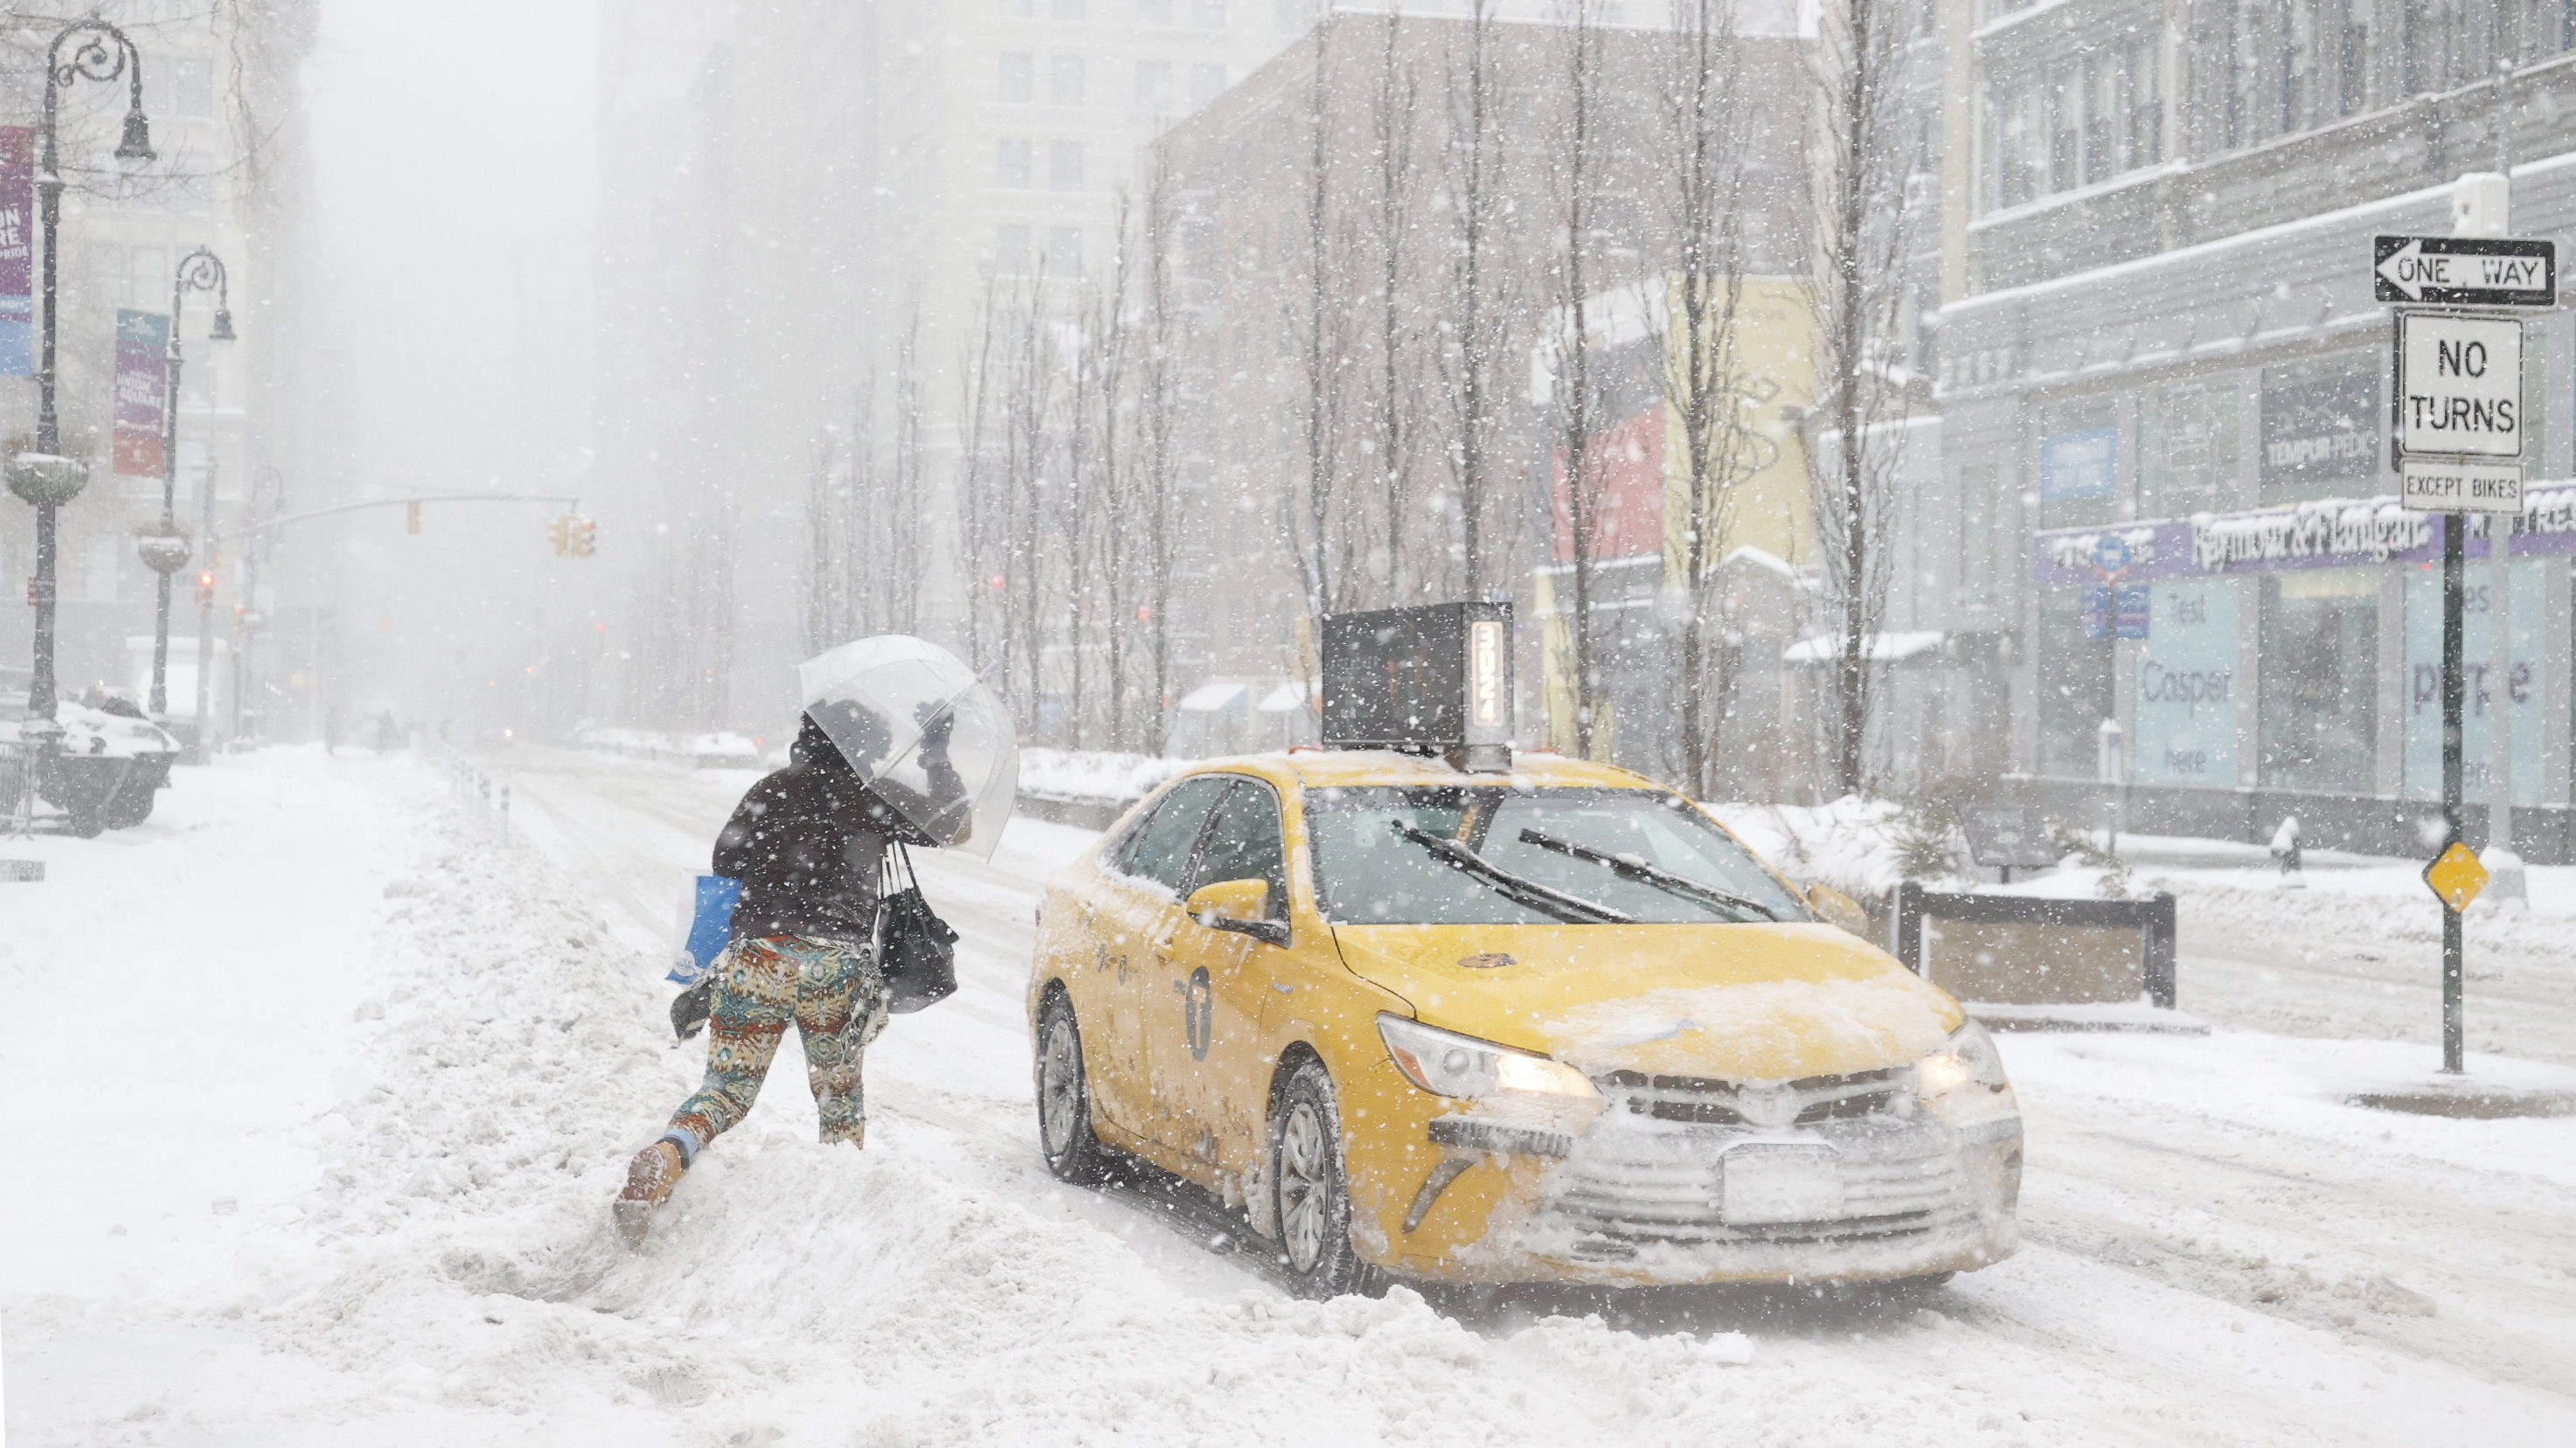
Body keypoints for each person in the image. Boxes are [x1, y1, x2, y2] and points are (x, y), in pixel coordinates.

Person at [613, 700, 966, 1246]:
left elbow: (725, 866)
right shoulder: (873, 797)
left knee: (726, 1090)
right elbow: (956, 825)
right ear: (865, 748)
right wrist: (935, 752)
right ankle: (834, 1221)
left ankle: (671, 1151)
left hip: (758, 958)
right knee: (838, 1097)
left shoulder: (768, 791)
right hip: (839, 966)